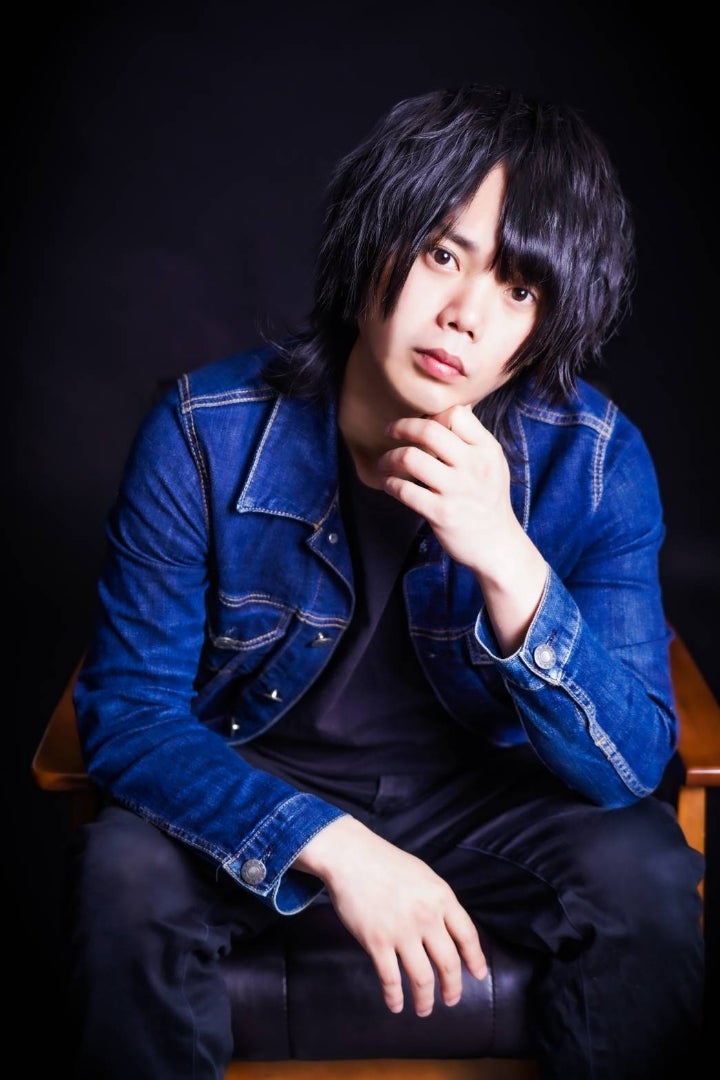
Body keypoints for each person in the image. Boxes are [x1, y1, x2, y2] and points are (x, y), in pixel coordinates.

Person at [68, 84, 705, 1078]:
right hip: (263, 778)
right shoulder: (204, 432)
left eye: (519, 290)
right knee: (123, 878)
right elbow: (131, 717)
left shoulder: (595, 461)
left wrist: (509, 560)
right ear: (375, 242)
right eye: (444, 254)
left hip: (485, 804)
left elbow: (627, 769)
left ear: (543, 325)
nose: (464, 316)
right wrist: (334, 845)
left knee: (647, 877)